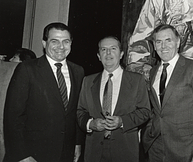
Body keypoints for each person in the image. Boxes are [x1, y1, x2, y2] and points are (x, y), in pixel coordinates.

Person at [3, 22, 85, 162]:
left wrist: (77, 143)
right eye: (54, 41)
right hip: (32, 154)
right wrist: (22, 155)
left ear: (71, 43)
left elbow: (76, 111)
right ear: (44, 43)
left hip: (65, 153)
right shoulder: (27, 69)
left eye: (65, 41)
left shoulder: (78, 71)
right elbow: (13, 117)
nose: (61, 47)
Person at [142, 24, 193, 162]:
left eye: (168, 40)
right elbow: (157, 110)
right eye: (159, 42)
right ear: (154, 46)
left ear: (178, 42)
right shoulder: (153, 72)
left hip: (185, 150)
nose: (163, 46)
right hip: (155, 148)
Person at [77, 36, 150, 162]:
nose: (108, 53)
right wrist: (91, 124)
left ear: (121, 54)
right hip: (94, 151)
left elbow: (145, 111)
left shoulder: (137, 80)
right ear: (99, 56)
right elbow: (80, 112)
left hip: (125, 151)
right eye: (103, 49)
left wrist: (122, 121)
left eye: (113, 49)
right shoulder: (88, 81)